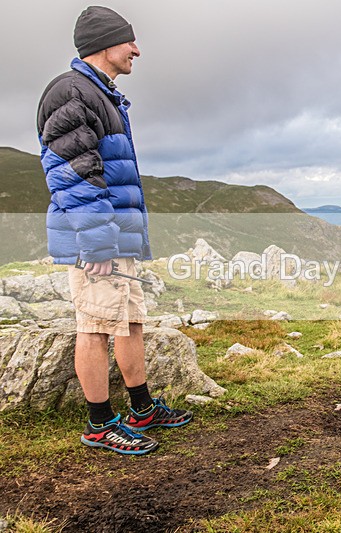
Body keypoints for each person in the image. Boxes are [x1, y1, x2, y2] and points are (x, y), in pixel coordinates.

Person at [36, 6, 192, 455]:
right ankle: (100, 424)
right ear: (107, 43)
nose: (136, 50)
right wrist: (99, 242)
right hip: (97, 240)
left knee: (131, 322)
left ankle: (141, 407)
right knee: (96, 326)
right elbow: (74, 173)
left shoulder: (100, 92)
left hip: (116, 235)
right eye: (130, 42)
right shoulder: (71, 92)